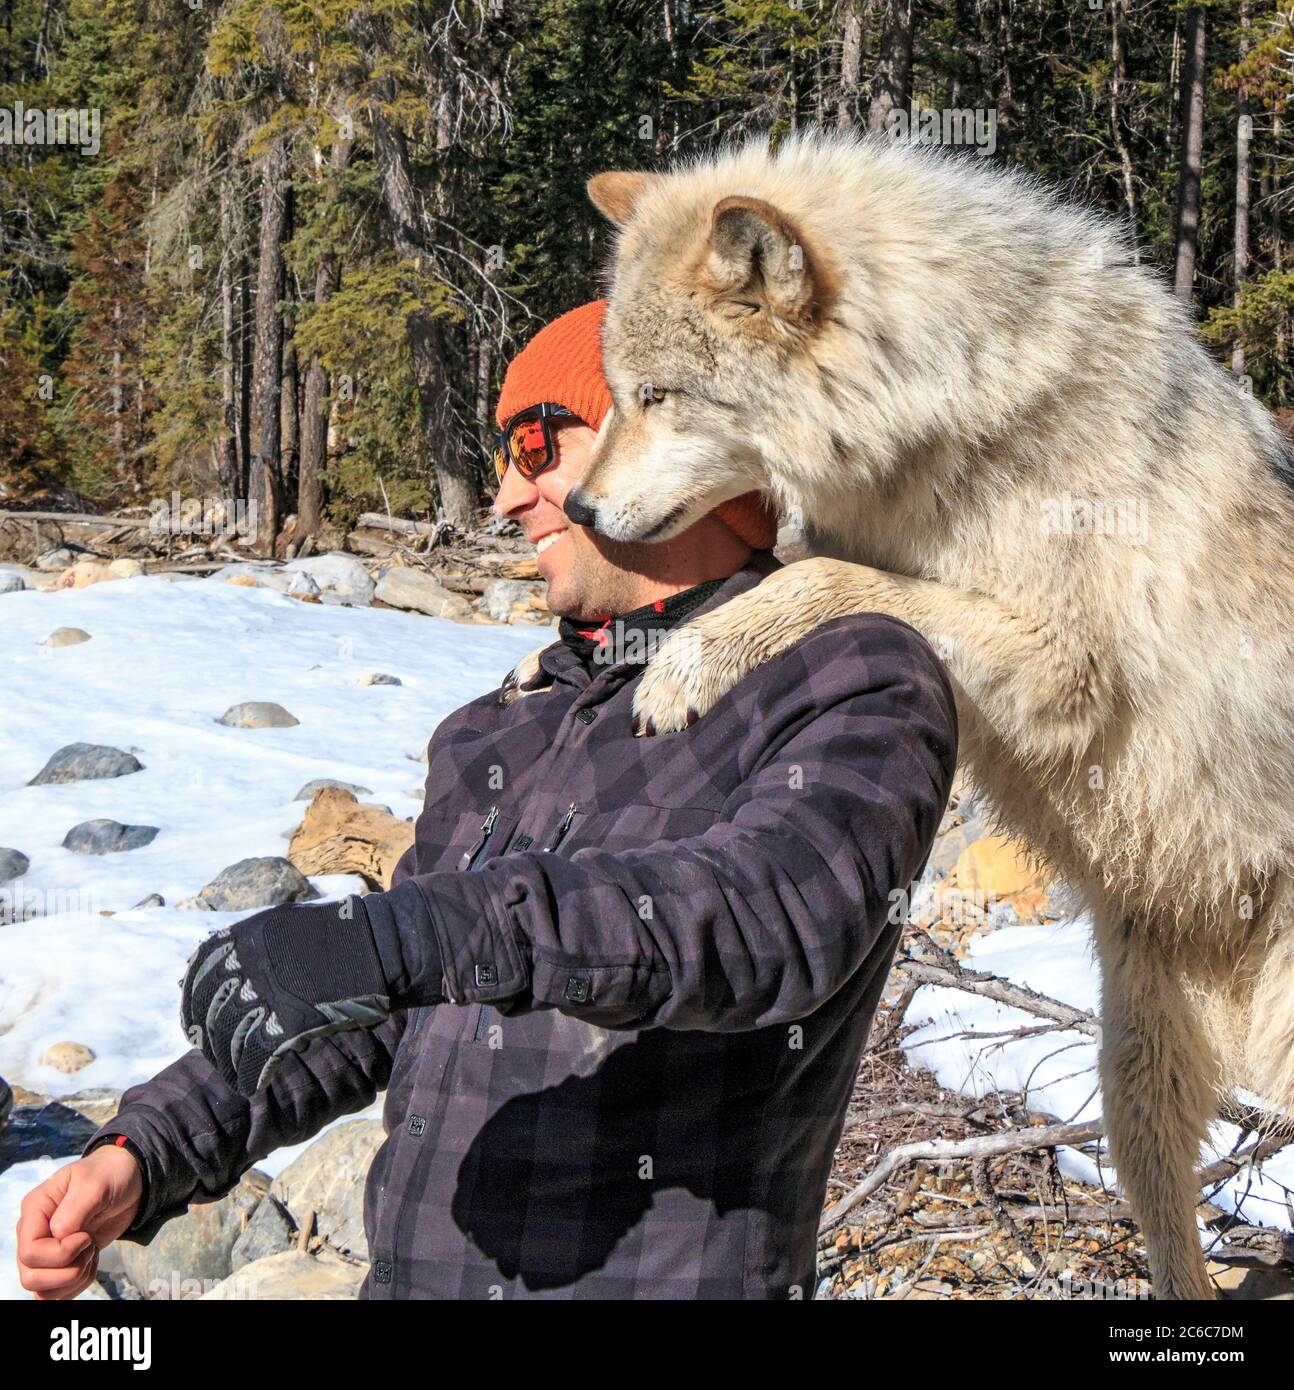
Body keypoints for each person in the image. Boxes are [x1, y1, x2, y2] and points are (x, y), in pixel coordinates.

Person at [17, 299, 957, 1301]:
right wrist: (143, 1148)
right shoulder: (498, 728)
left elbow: (766, 919)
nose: (507, 496)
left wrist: (410, 930)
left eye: (535, 445)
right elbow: (386, 1009)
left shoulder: (846, 672)